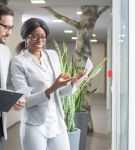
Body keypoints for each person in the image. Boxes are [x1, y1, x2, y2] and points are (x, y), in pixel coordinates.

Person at [10, 17, 85, 150]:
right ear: (25, 37)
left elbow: (59, 92)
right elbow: (25, 100)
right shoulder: (18, 62)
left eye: (43, 37)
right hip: (34, 126)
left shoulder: (53, 55)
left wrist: (73, 83)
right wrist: (52, 88)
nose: (40, 41)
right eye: (34, 36)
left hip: (57, 122)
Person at [0, 3, 26, 149]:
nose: (9, 33)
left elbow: (8, 84)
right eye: (6, 27)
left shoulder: (5, 51)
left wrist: (14, 100)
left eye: (11, 28)